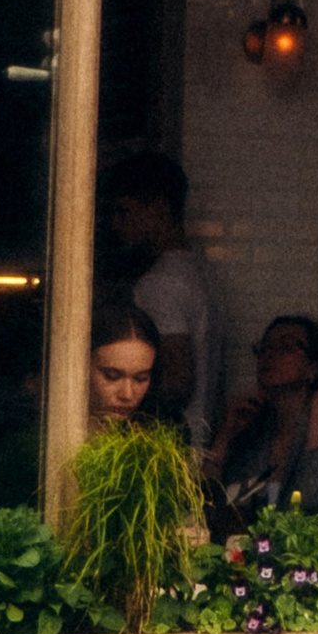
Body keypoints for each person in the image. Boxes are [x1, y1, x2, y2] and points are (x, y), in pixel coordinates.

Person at [100, 152, 225, 448]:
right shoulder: (200, 272)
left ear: (159, 209)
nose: (115, 224)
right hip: (197, 443)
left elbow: (177, 381)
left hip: (168, 448)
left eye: (124, 212)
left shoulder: (161, 283)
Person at [207, 314, 318, 521]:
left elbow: (313, 500)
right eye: (264, 347)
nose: (269, 355)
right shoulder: (258, 427)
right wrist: (224, 436)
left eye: (285, 347)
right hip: (254, 541)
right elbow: (209, 502)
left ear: (313, 368)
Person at [87, 297, 162, 425]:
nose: (127, 395)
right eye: (112, 377)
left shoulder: (157, 428)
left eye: (141, 378)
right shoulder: (51, 427)